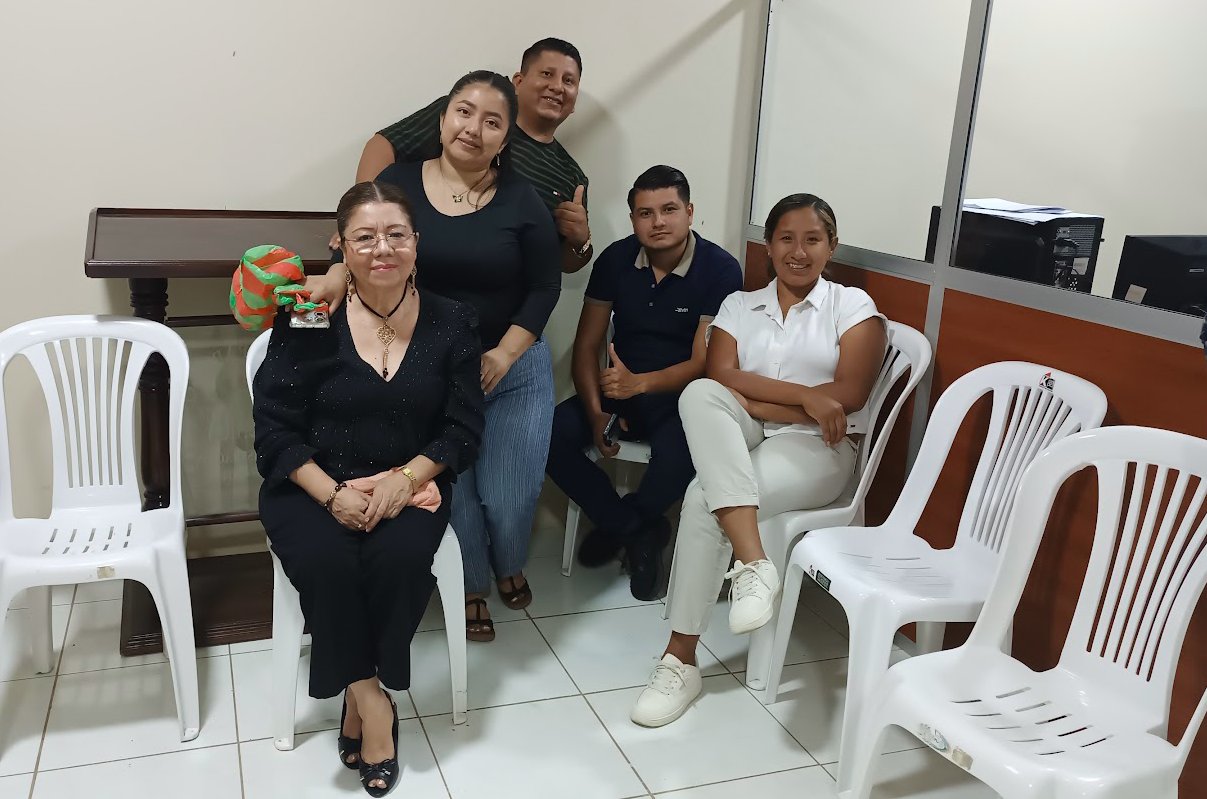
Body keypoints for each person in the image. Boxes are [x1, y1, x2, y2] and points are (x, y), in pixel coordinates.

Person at [253, 181, 483, 795]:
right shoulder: (311, 312)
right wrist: (333, 495)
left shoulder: (453, 320)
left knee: (398, 561)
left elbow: (462, 429)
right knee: (328, 564)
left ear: (417, 242)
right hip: (311, 483)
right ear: (341, 246)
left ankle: (357, 698)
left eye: (396, 234)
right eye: (365, 237)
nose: (383, 248)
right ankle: (372, 701)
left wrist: (407, 479)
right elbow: (273, 429)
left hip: (409, 482)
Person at [628, 193, 888, 728]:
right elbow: (720, 377)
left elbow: (850, 394)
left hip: (819, 446)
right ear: (768, 246)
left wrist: (771, 403)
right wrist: (808, 397)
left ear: (831, 246)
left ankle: (679, 658)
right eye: (786, 238)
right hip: (750, 433)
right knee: (698, 394)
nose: (799, 251)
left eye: (812, 239)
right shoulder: (739, 306)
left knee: (702, 499)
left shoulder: (852, 306)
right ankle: (754, 564)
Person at [319, 71, 560, 641]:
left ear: (505, 138)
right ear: (444, 118)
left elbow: (545, 286)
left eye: (492, 121)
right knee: (456, 487)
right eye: (463, 112)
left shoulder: (523, 199)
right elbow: (362, 245)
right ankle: (472, 584)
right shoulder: (397, 184)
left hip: (513, 365)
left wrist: (504, 354)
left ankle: (509, 561)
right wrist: (333, 273)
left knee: (510, 493)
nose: (473, 129)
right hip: (428, 366)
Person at [545, 166, 742, 600]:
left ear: (689, 212)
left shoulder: (720, 269)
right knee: (547, 436)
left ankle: (627, 523)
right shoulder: (616, 259)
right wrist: (595, 412)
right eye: (645, 213)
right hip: (620, 392)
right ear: (633, 218)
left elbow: (705, 362)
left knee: (686, 453)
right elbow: (586, 346)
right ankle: (634, 530)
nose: (658, 222)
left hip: (684, 398)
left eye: (669, 209)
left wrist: (641, 385)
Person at [352, 38, 592, 273]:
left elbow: (558, 264)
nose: (558, 87)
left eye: (568, 81)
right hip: (417, 274)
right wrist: (365, 221)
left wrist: (580, 241)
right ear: (518, 82)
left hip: (502, 291)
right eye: (547, 74)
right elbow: (383, 145)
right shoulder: (462, 116)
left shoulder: (571, 175)